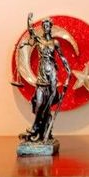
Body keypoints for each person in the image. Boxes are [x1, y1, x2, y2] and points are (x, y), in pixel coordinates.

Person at [18, 14, 71, 143]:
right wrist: (29, 20)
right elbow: (30, 31)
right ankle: (36, 128)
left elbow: (62, 57)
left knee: (48, 104)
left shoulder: (55, 42)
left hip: (52, 73)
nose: (46, 27)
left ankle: (40, 130)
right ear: (42, 28)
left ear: (51, 27)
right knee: (39, 103)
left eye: (48, 25)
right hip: (41, 73)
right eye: (44, 25)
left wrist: (69, 72)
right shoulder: (39, 40)